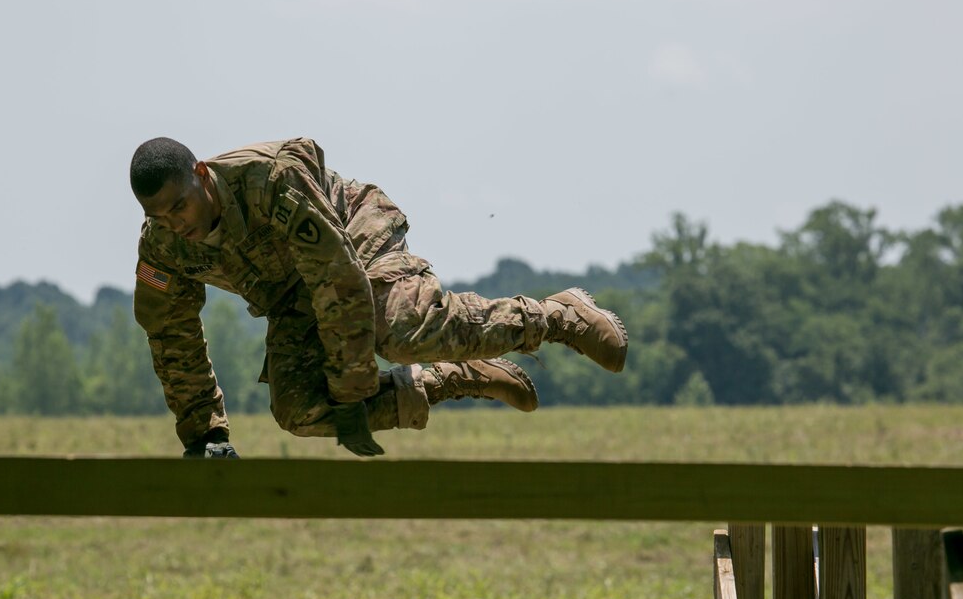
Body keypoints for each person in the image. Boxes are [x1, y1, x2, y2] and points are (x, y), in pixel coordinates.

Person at [130, 137, 628, 458]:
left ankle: (558, 317)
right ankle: (458, 378)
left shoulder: (270, 181)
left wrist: (354, 392)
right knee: (299, 410)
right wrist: (205, 434)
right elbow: (170, 334)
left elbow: (340, 283)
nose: (178, 224)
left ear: (199, 175)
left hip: (350, 238)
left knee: (401, 332)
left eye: (181, 206)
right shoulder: (162, 247)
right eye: (162, 217)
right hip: (294, 292)